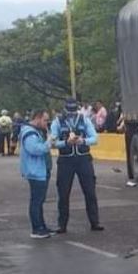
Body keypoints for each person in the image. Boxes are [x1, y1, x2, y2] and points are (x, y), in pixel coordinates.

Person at [50, 98, 104, 233]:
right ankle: (62, 224)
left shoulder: (84, 119)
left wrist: (83, 140)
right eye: (70, 111)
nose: (72, 114)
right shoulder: (57, 122)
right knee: (63, 193)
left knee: (90, 191)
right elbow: (53, 142)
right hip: (65, 160)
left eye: (74, 111)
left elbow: (95, 138)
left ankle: (95, 222)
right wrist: (65, 143)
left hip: (83, 159)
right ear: (65, 109)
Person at [19, 110, 55, 239]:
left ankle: (42, 226)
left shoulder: (37, 131)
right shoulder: (29, 133)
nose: (47, 123)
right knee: (36, 201)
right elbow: (35, 149)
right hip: (35, 171)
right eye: (45, 120)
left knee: (39, 200)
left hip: (41, 170)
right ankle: (36, 228)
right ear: (38, 118)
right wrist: (48, 142)